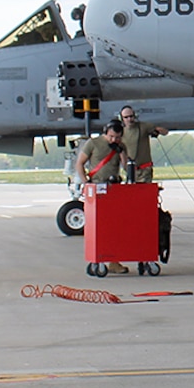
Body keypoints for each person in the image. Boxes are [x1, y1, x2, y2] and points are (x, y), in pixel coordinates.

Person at [75, 123, 130, 274]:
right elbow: (79, 163)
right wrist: (85, 183)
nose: (114, 140)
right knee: (98, 226)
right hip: (97, 188)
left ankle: (114, 261)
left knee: (115, 226)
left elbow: (126, 167)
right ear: (105, 132)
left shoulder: (121, 146)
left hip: (114, 188)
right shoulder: (93, 143)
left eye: (117, 137)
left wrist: (121, 153)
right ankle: (97, 257)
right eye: (111, 136)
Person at [118, 105, 169, 184]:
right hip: (130, 170)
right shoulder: (120, 132)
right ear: (122, 119)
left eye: (131, 116)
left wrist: (157, 130)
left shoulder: (143, 126)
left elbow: (165, 132)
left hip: (145, 169)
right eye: (126, 117)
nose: (129, 119)